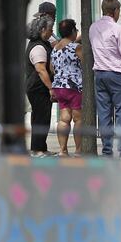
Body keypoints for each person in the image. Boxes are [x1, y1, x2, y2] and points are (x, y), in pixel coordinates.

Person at [91, 0, 121, 158]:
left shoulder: (93, 27)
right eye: (119, 11)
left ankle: (107, 150)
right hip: (116, 74)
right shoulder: (118, 29)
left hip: (99, 73)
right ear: (115, 11)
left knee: (104, 114)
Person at [50, 19, 83, 156]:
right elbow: (86, 64)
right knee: (78, 119)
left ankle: (63, 150)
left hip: (59, 87)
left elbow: (52, 68)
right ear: (72, 31)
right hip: (74, 86)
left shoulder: (55, 49)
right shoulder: (76, 48)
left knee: (64, 119)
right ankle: (79, 150)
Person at [26, 16, 56, 157]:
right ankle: (37, 149)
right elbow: (41, 70)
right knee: (40, 118)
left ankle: (41, 148)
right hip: (38, 88)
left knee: (43, 117)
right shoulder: (38, 47)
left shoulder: (42, 44)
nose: (51, 32)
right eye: (50, 29)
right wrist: (51, 88)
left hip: (39, 87)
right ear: (43, 29)